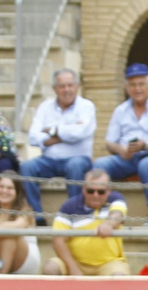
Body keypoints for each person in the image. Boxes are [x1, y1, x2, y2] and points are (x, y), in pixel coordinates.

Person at [96, 63, 148, 222]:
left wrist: (147, 145)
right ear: (126, 87)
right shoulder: (120, 110)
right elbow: (109, 142)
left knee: (146, 165)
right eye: (132, 85)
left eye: (141, 84)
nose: (137, 89)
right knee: (99, 165)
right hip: (127, 157)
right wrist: (120, 149)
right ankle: (102, 209)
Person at [19, 68, 94, 219]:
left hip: (78, 158)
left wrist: (52, 131)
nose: (67, 90)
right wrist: (67, 133)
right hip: (49, 161)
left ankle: (75, 215)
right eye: (62, 86)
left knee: (75, 166)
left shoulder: (86, 106)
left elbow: (80, 132)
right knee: (26, 167)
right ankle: (37, 217)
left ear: (77, 86)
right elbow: (33, 138)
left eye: (70, 85)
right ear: (54, 89)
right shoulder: (44, 107)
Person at [45, 168, 129, 276]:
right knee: (50, 268)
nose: (95, 195)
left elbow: (118, 215)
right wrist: (73, 268)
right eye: (90, 191)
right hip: (76, 262)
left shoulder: (116, 198)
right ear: (84, 189)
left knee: (119, 277)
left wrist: (108, 224)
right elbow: (58, 241)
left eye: (101, 191)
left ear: (109, 190)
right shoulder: (69, 206)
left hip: (109, 263)